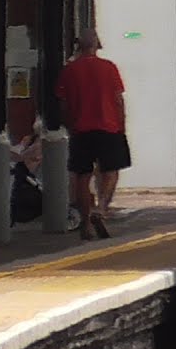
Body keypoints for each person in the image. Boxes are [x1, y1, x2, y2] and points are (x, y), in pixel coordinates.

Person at [55, 28, 130, 240]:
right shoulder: (109, 68)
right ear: (97, 44)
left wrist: (70, 125)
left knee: (82, 175)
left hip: (81, 129)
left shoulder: (69, 71)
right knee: (111, 170)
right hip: (109, 126)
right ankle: (102, 207)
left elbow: (63, 104)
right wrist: (121, 124)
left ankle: (86, 223)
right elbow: (118, 99)